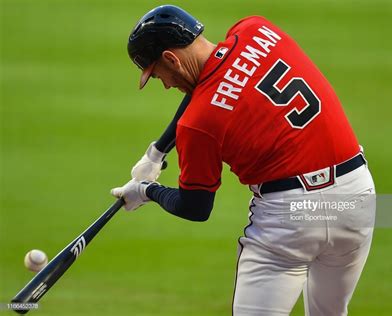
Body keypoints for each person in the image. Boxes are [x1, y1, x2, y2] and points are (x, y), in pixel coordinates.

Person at [111, 5, 376, 316]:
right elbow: (219, 79)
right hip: (354, 197)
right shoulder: (258, 30)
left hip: (289, 221)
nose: (167, 85)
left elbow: (194, 208)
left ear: (171, 59)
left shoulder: (196, 126)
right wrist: (157, 152)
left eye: (158, 75)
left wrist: (145, 191)